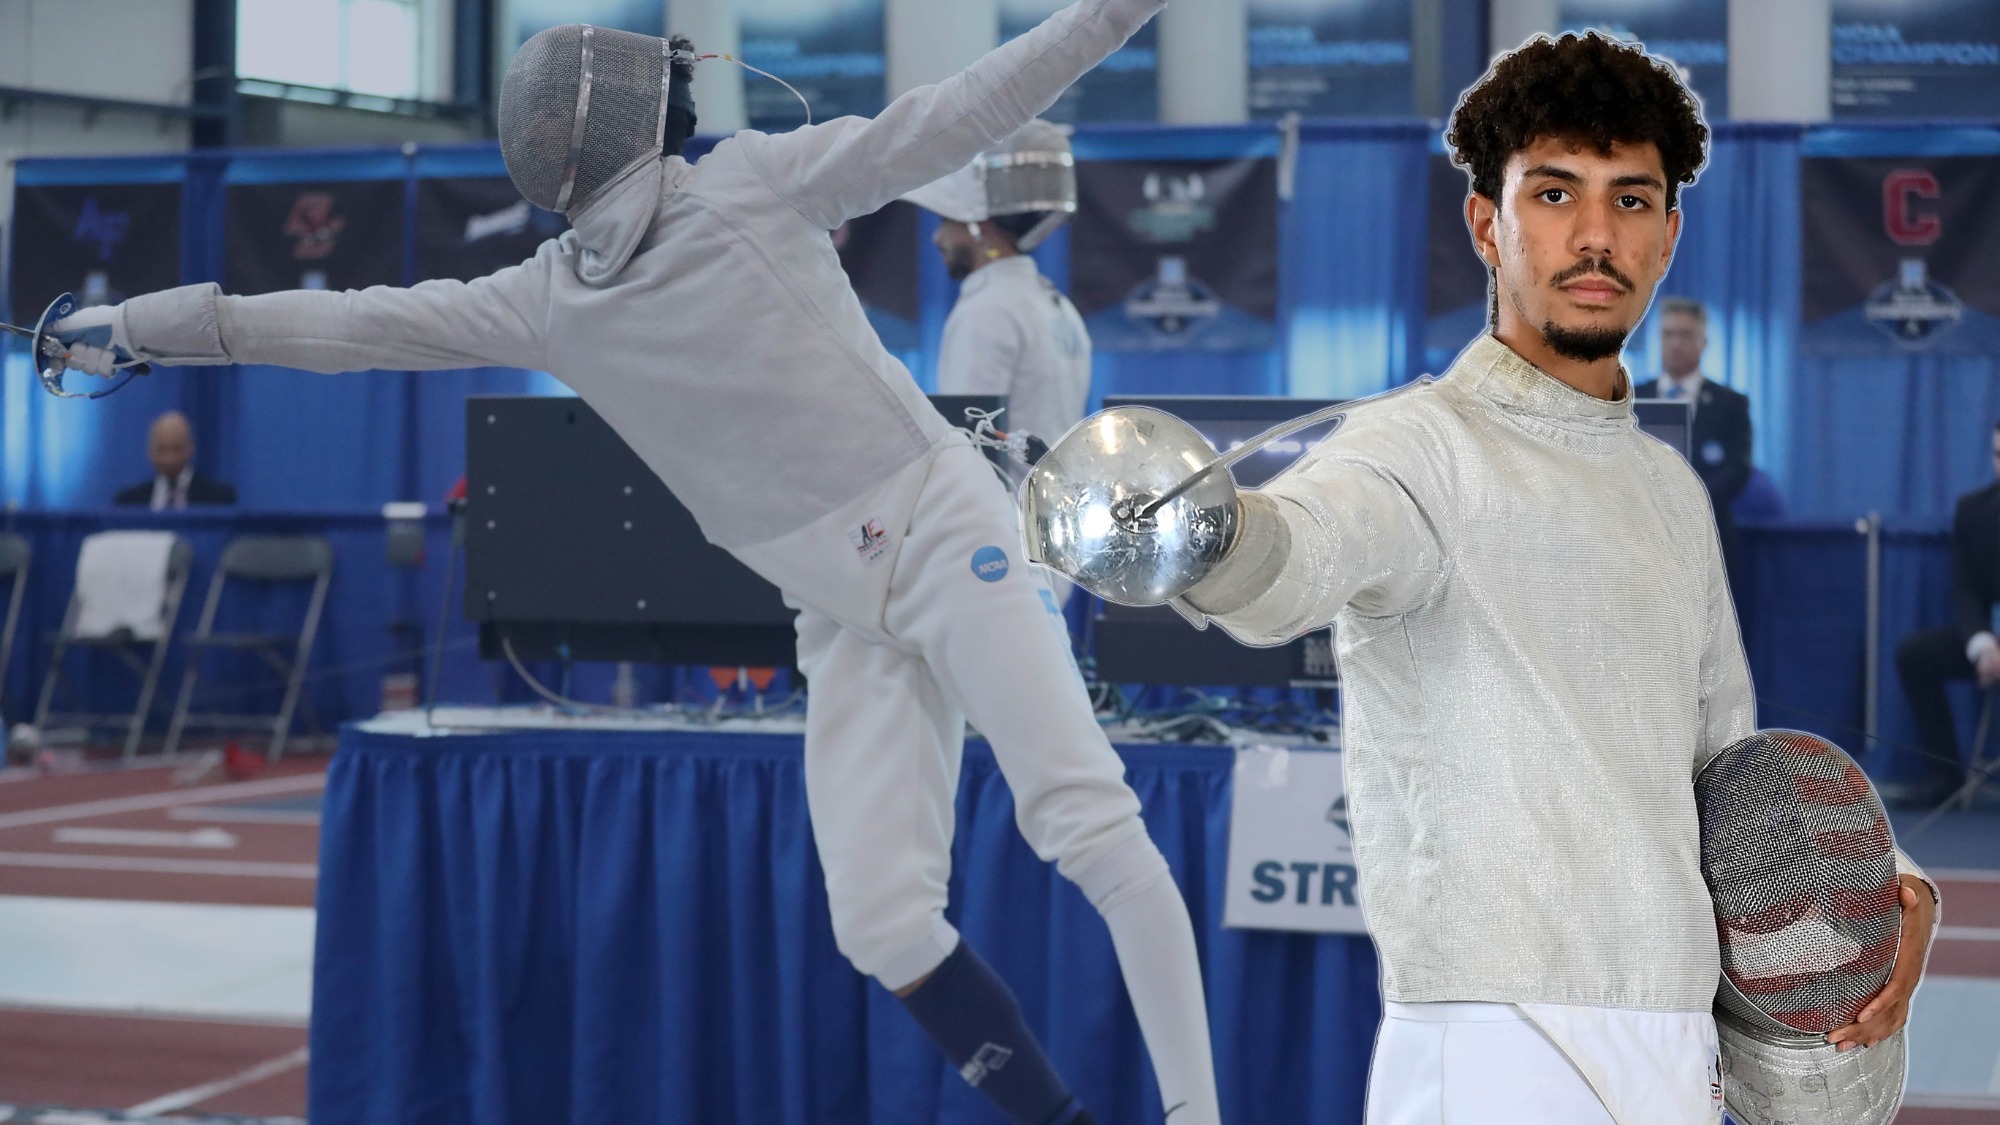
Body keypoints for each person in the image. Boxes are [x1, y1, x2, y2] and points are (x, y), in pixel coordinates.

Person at [46, 5, 1219, 1124]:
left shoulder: (747, 188)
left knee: (1086, 824)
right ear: (639, 115)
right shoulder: (550, 298)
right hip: (838, 608)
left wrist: (1117, 9)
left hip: (941, 529)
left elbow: (962, 112)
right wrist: (152, 327)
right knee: (882, 926)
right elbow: (350, 326)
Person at [1047, 33, 1938, 1123]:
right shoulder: (1415, 447)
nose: (1594, 234)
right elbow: (1306, 548)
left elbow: (1723, 776)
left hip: (1674, 1035)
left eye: (1630, 200)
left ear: (1667, 237)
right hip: (1495, 1046)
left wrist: (1887, 889)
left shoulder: (1665, 492)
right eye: (1554, 192)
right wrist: (1207, 536)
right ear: (1485, 223)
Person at [907, 119, 1092, 456]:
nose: (938, 237)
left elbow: (971, 440)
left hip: (1003, 506)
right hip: (1050, 503)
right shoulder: (1055, 304)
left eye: (947, 222)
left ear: (979, 227)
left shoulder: (987, 312)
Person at [1893, 421, 2000, 805]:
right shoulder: (1973, 511)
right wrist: (1983, 645)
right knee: (1915, 655)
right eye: (1998, 455)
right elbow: (1966, 588)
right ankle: (1945, 775)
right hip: (1991, 638)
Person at [1634, 298, 1751, 581]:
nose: (1675, 343)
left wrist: (1687, 501)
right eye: (1668, 334)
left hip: (1708, 533)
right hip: (1641, 531)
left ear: (1704, 341)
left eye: (1685, 335)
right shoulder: (1630, 396)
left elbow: (1737, 468)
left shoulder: (1730, 403)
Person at [113, 411, 236, 509]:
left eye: (177, 449)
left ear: (191, 448)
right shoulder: (129, 503)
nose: (169, 459)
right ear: (150, 451)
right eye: (162, 449)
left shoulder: (218, 500)